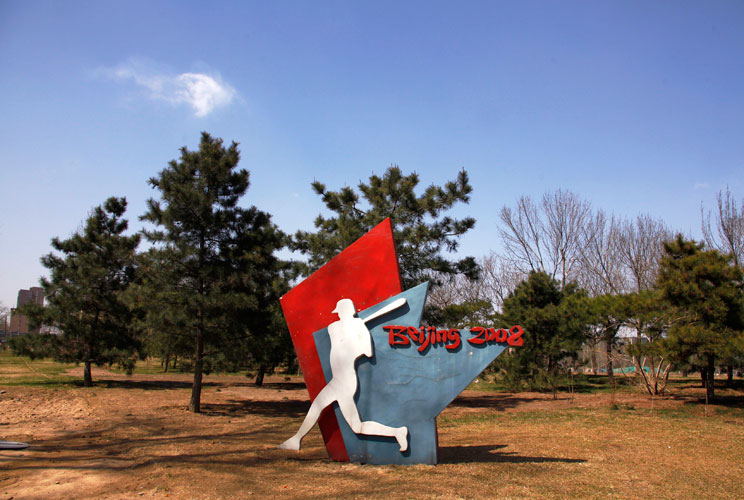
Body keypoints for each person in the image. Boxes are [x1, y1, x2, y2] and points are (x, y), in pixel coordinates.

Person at [279, 298, 408, 452]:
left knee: (317, 406)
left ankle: (297, 439)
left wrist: (356, 335)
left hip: (346, 380)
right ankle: (397, 432)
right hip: (338, 379)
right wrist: (354, 332)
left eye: (340, 311)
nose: (338, 314)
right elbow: (337, 337)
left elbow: (367, 351)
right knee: (357, 426)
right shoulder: (335, 327)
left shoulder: (356, 326)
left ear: (346, 311)